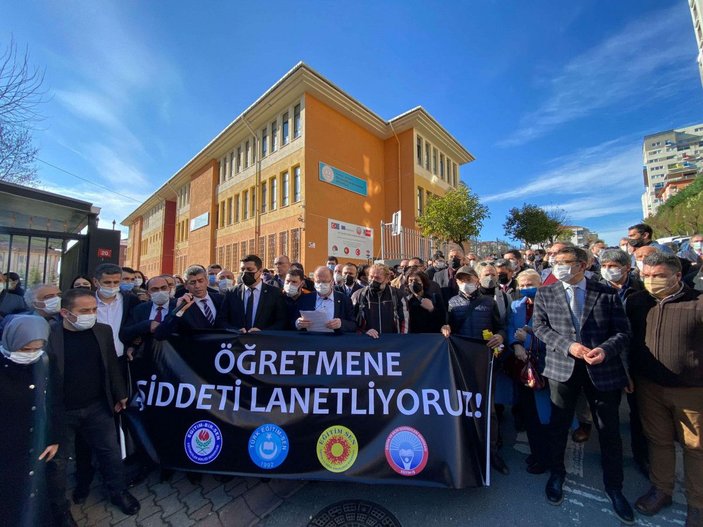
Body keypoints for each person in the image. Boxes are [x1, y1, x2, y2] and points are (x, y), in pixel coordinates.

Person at [532, 246, 633, 524]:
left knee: (608, 429)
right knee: (558, 424)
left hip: (602, 369)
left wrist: (605, 350)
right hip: (562, 368)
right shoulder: (546, 292)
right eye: (556, 262)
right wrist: (569, 346)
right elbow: (539, 328)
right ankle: (556, 474)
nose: (559, 267)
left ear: (583, 264)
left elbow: (623, 332)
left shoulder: (606, 292)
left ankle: (614, 487)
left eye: (565, 262)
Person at [46, 288, 140, 523]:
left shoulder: (102, 331)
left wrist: (120, 394)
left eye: (94, 309)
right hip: (62, 411)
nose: (91, 314)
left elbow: (111, 364)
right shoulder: (50, 335)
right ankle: (60, 510)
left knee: (110, 452)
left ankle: (118, 492)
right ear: (65, 312)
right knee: (58, 464)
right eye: (84, 311)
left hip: (98, 406)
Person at [625, 253, 703, 525]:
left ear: (677, 276)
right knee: (658, 440)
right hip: (648, 385)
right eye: (646, 275)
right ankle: (662, 490)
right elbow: (630, 341)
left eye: (658, 276)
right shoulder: (637, 302)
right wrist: (629, 374)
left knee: (696, 446)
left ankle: (697, 503)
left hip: (691, 390)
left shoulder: (698, 303)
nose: (650, 281)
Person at [441, 266, 508, 475]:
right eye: (461, 280)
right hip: (461, 361)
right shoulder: (452, 303)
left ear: (477, 280)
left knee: (489, 408)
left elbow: (501, 327)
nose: (464, 283)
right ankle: (466, 449)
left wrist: (501, 337)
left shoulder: (489, 302)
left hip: (485, 361)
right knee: (461, 407)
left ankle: (492, 451)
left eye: (468, 279)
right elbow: (446, 326)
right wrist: (444, 328)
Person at [0, 315, 61, 527]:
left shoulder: (45, 361)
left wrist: (53, 438)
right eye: (26, 349)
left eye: (38, 348)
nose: (31, 354)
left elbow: (54, 401)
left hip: (34, 445)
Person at [507, 269, 548, 475]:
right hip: (523, 367)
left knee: (545, 414)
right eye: (521, 285)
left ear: (540, 283)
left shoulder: (551, 303)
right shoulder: (516, 305)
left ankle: (547, 456)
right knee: (530, 413)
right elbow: (510, 328)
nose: (525, 288)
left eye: (530, 283)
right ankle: (538, 452)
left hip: (545, 366)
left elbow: (556, 335)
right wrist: (516, 345)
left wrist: (528, 340)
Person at [216, 255, 288, 332]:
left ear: (260, 271)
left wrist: (263, 332)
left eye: (249, 269)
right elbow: (222, 320)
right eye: (242, 269)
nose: (245, 272)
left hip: (265, 341)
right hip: (238, 341)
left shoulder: (274, 293)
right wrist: (236, 330)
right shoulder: (232, 292)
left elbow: (281, 321)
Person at [155, 265, 224, 337]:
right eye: (192, 282)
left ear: (207, 281)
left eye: (201, 281)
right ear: (185, 285)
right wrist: (179, 310)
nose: (197, 286)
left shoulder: (221, 299)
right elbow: (160, 333)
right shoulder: (178, 303)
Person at [294, 266, 356, 333]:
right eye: (318, 281)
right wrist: (298, 323)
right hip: (311, 340)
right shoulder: (305, 299)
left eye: (324, 282)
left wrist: (341, 324)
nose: (321, 284)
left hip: (335, 340)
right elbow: (292, 321)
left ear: (332, 282)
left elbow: (353, 325)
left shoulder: (344, 300)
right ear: (314, 282)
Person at [351, 263, 405, 338]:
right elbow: (352, 322)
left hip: (392, 342)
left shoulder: (397, 295)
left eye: (377, 278)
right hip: (367, 342)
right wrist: (364, 332)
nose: (373, 281)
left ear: (387, 279)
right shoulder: (358, 295)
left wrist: (403, 339)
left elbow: (405, 321)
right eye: (371, 277)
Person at [405, 269, 446, 333]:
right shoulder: (406, 301)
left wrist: (432, 309)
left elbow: (443, 320)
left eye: (416, 280)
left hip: (432, 336)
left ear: (423, 282)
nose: (413, 283)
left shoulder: (435, 297)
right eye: (410, 281)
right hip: (414, 338)